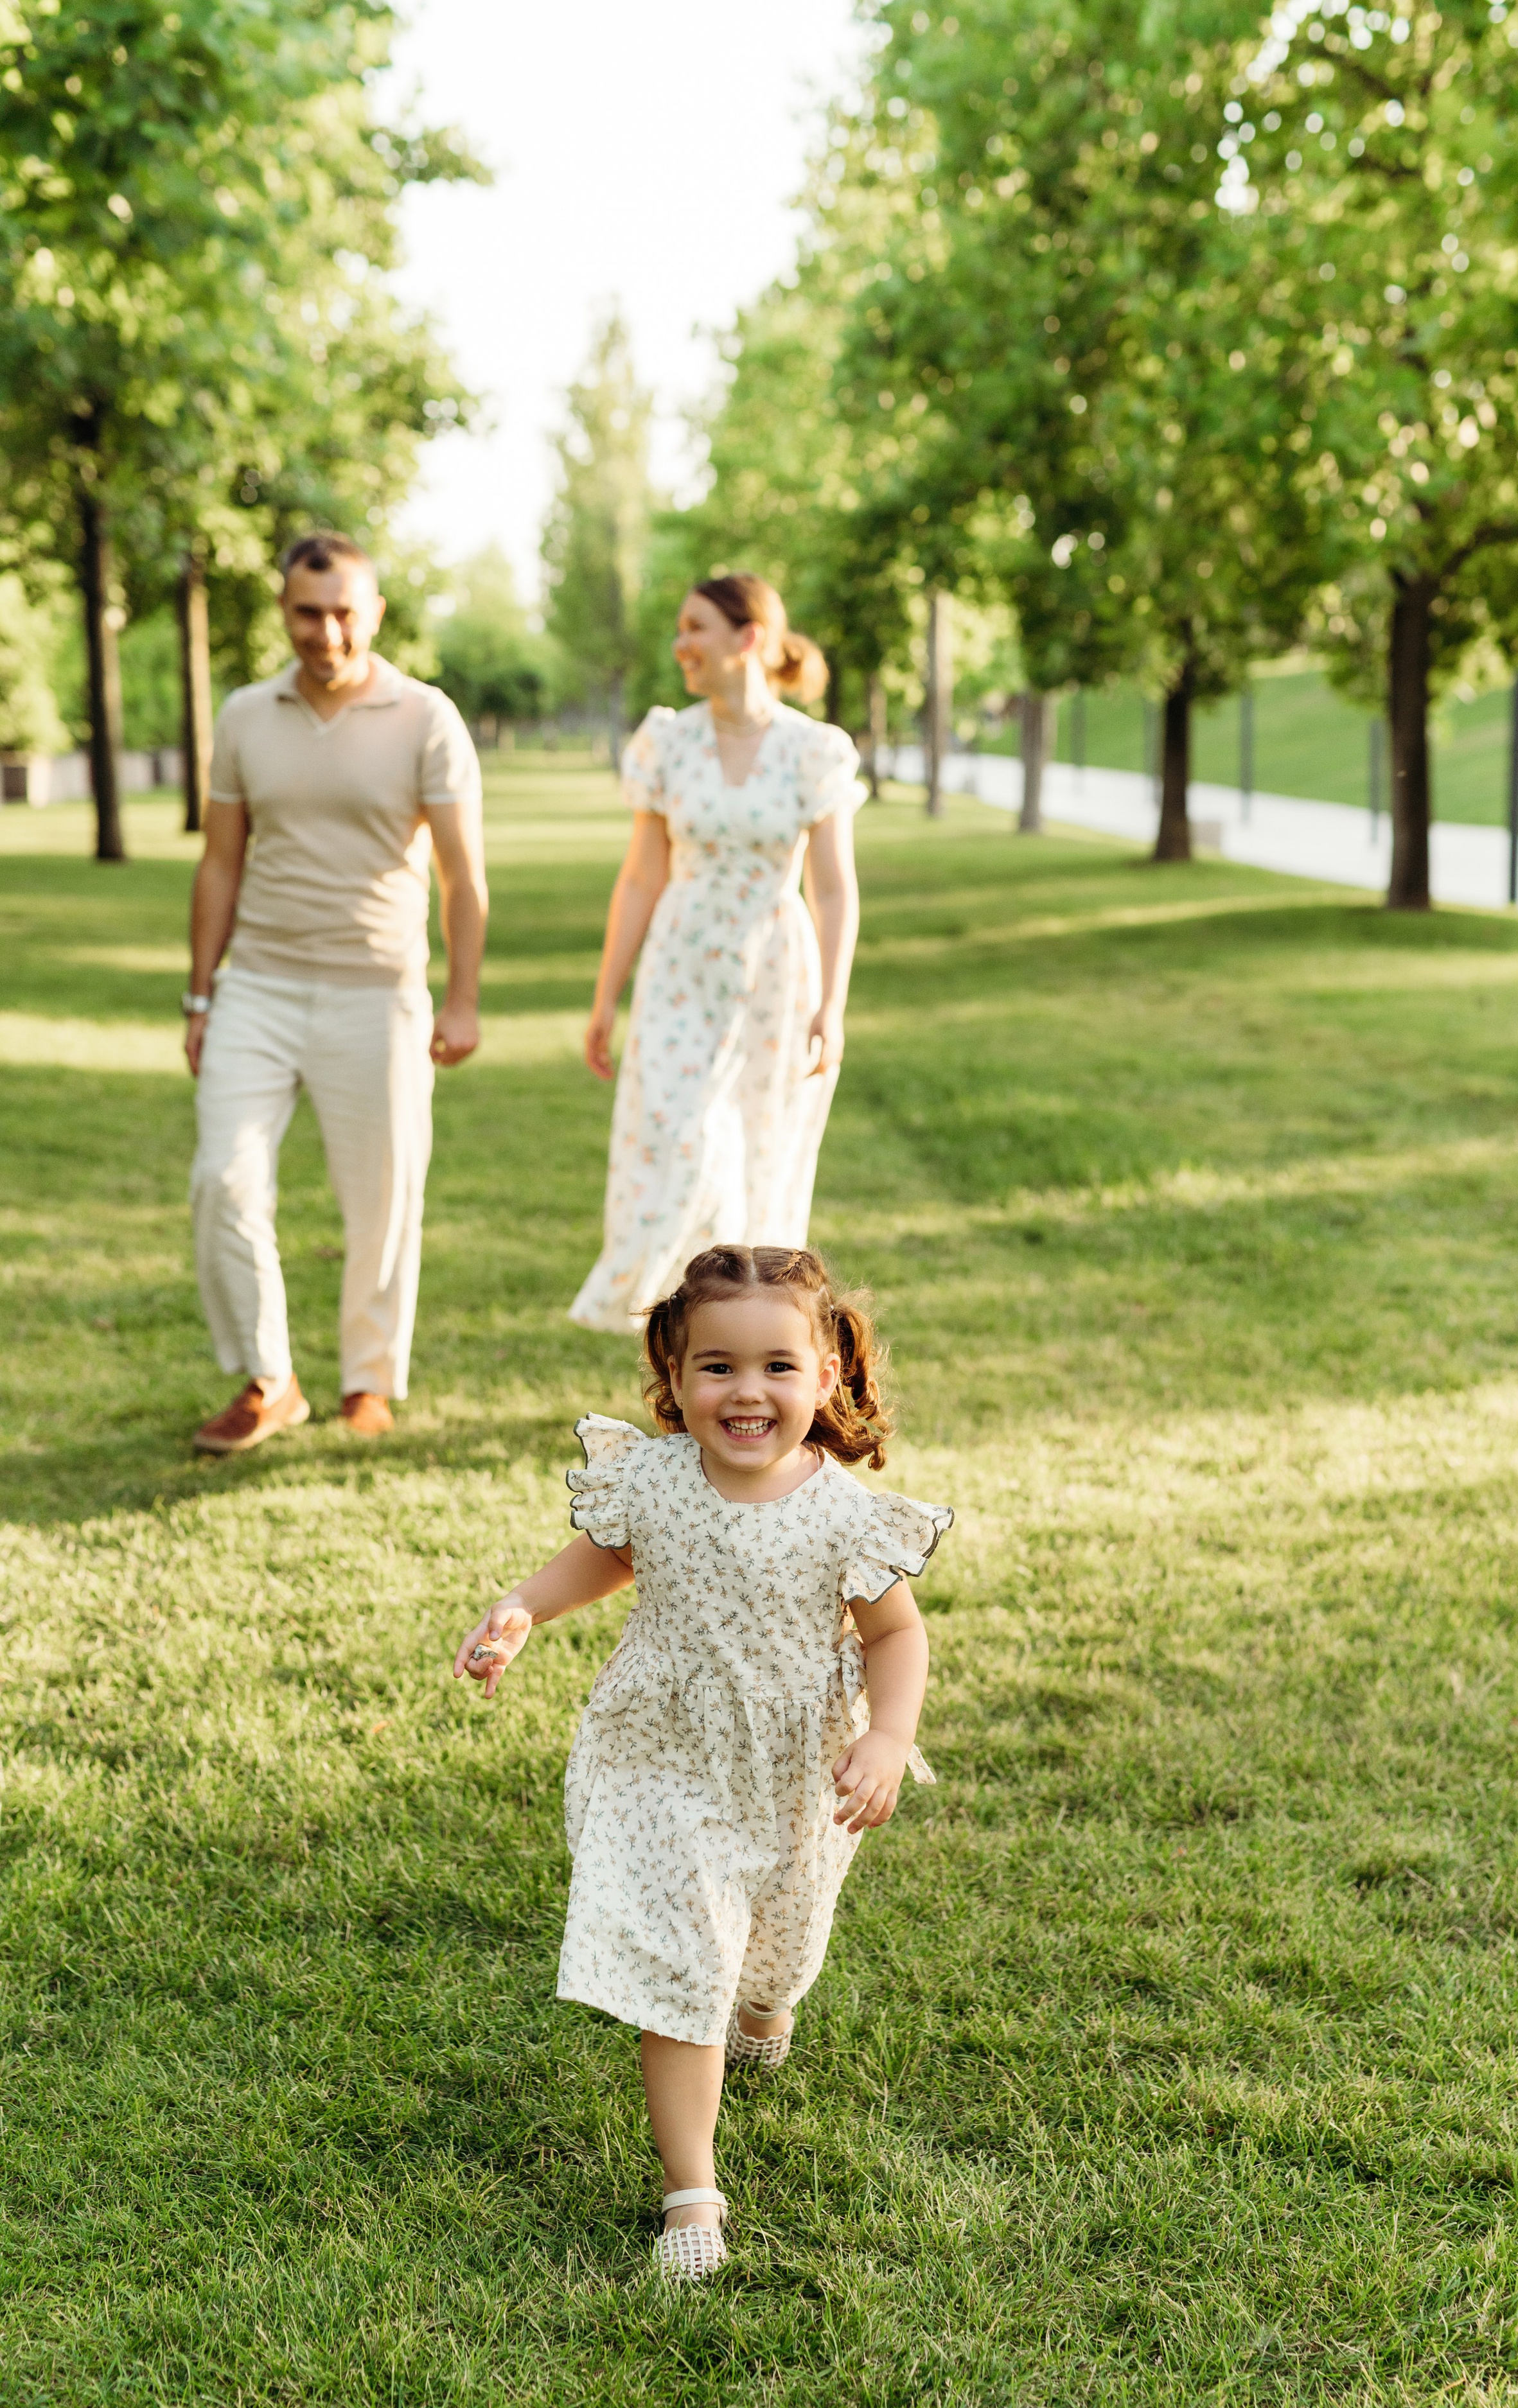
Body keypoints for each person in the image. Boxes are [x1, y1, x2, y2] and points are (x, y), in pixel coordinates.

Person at [454, 1244, 951, 2281]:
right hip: (663, 1753)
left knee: (778, 1949)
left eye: (778, 1366)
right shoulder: (655, 1477)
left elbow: (896, 1635)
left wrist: (888, 1734)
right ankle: (693, 2192)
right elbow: (613, 1554)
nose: (747, 1391)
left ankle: (767, 2003)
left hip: (791, 1767)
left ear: (826, 1375)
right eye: (717, 1366)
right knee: (687, 1964)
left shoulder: (846, 1514)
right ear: (674, 1377)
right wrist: (524, 1606)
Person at [183, 533, 487, 1454]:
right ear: (285, 611)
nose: (327, 632)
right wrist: (200, 997)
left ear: (375, 612)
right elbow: (220, 863)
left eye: (344, 612)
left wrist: (462, 998)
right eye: (308, 613)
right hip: (258, 986)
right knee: (223, 1179)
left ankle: (368, 1378)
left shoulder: (426, 716)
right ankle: (269, 1378)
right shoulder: (245, 714)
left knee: (382, 1198)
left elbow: (462, 875)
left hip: (377, 991)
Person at [569, 572, 866, 1333]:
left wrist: (831, 1005)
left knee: (758, 1159)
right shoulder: (666, 742)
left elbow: (833, 889)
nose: (681, 644)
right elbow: (641, 877)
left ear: (749, 637)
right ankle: (684, 1329)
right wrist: (605, 998)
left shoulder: (813, 749)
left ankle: (736, 1344)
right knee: (690, 1147)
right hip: (681, 969)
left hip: (774, 972)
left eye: (696, 627)